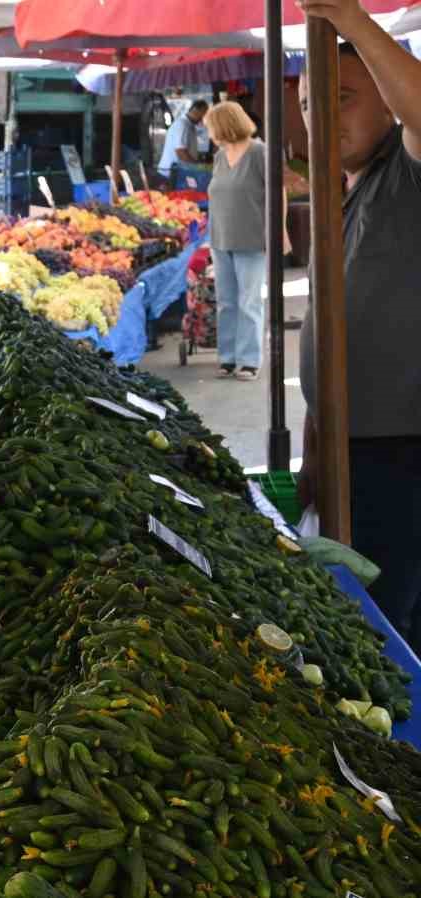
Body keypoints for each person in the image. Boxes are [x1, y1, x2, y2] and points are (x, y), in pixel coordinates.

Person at [294, 0, 421, 651]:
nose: (319, 116)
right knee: (366, 616)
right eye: (311, 102)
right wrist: (315, 445)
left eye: (341, 97)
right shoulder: (341, 195)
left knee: (390, 629)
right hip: (351, 449)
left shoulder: (407, 176)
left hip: (404, 449)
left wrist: (350, 20)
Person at [203, 101, 269, 381]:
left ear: (224, 126)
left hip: (252, 237)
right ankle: (228, 357)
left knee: (249, 302)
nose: (209, 133)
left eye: (211, 128)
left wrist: (280, 233)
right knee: (226, 301)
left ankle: (250, 360)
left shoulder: (259, 152)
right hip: (220, 238)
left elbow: (277, 193)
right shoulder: (220, 156)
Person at [157, 99, 210, 181]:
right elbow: (181, 152)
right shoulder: (182, 125)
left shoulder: (189, 125)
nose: (203, 118)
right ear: (196, 111)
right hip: (170, 174)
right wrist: (198, 167)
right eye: (203, 114)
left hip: (177, 171)